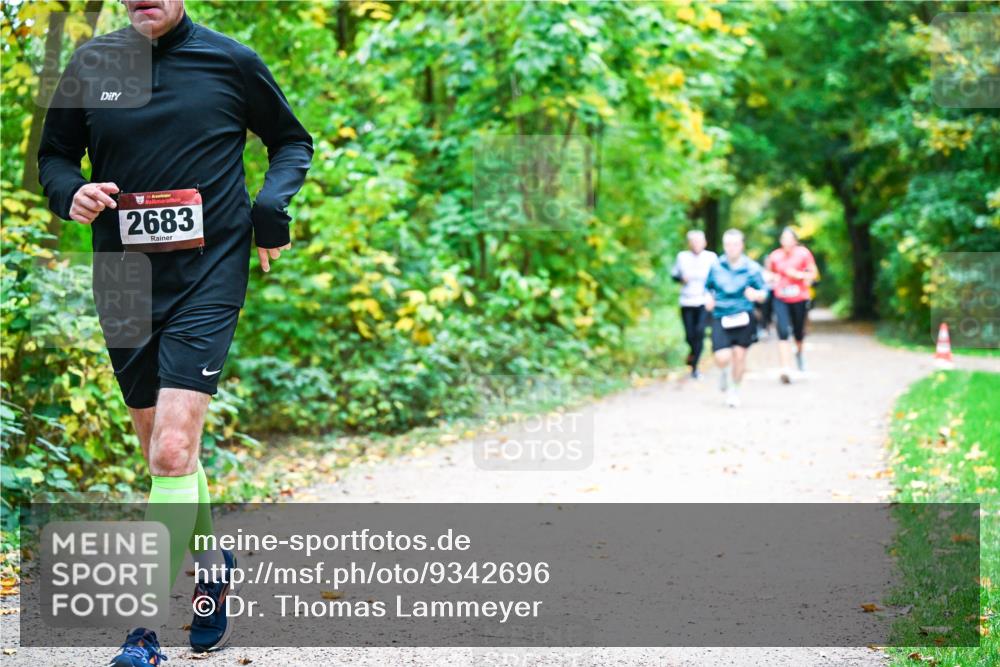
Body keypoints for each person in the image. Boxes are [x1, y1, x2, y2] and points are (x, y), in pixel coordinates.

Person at [37, 1, 313, 664]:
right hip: (124, 278)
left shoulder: (230, 61)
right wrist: (70, 193)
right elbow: (55, 157)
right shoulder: (94, 62)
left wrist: (271, 206)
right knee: (163, 453)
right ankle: (213, 569)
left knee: (170, 448)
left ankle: (142, 632)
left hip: (208, 272)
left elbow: (291, 141)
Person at [704, 229, 769, 408]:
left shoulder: (752, 268)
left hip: (743, 315)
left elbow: (765, 292)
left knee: (740, 356)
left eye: (735, 244)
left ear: (742, 246)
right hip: (721, 314)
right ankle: (725, 372)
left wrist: (757, 295)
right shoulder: (716, 266)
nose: (731, 248)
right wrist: (708, 297)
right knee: (722, 357)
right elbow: (707, 287)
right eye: (728, 244)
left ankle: (734, 391)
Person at [765, 227, 818, 383]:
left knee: (798, 331)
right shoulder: (775, 255)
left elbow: (814, 274)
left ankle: (799, 354)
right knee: (782, 331)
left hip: (799, 298)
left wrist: (798, 275)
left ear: (795, 241)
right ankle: (785, 368)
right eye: (784, 239)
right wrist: (772, 277)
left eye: (789, 239)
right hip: (780, 297)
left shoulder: (804, 253)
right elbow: (769, 273)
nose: (786, 242)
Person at [670, 230, 717, 378]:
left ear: (705, 243)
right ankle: (692, 353)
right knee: (689, 335)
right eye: (694, 241)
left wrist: (713, 298)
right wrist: (681, 278)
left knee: (700, 332)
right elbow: (673, 275)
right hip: (687, 301)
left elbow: (717, 279)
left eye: (699, 241)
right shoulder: (682, 257)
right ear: (689, 243)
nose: (696, 244)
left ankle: (695, 367)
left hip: (703, 301)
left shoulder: (711, 257)